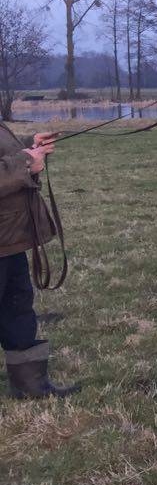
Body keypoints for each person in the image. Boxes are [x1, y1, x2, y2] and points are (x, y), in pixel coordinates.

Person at [0, 120, 79, 399]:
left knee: (18, 309)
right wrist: (25, 162)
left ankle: (29, 385)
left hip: (9, 239)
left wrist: (29, 143)